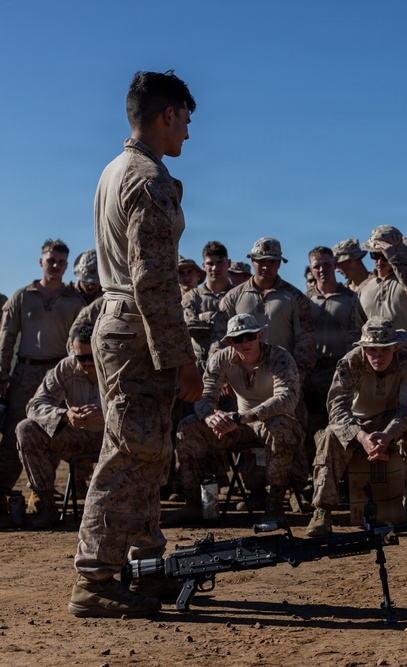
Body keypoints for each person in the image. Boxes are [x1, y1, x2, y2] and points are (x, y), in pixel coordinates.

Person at [70, 70, 203, 618]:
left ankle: (143, 566)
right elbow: (154, 282)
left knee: (146, 451)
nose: (188, 132)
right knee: (128, 454)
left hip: (121, 323)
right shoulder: (149, 179)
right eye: (186, 119)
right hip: (138, 331)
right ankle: (94, 578)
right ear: (167, 114)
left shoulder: (113, 170)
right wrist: (182, 359)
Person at [170, 314, 303, 524]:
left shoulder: (279, 357)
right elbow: (204, 397)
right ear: (230, 341)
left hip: (271, 421)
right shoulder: (221, 359)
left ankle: (275, 506)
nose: (245, 342)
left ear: (260, 335)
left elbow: (287, 399)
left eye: (250, 336)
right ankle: (194, 503)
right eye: (238, 339)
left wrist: (243, 417)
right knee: (188, 427)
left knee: (281, 428)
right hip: (240, 425)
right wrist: (210, 417)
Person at [307, 318, 407, 536]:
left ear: (395, 346)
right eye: (372, 349)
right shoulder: (350, 362)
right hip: (357, 423)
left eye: (384, 349)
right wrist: (362, 437)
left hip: (392, 422)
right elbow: (337, 409)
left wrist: (388, 434)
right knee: (329, 436)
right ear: (363, 348)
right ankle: (322, 511)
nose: (378, 356)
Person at [217, 237, 316, 507]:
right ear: (252, 261)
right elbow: (219, 339)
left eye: (272, 262)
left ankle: (297, 488)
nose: (265, 267)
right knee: (249, 432)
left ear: (279, 263)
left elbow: (306, 339)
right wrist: (223, 377)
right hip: (245, 383)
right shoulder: (233, 297)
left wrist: (297, 378)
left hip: (284, 380)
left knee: (293, 431)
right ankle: (257, 490)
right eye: (260, 261)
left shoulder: (294, 298)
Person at [0, 238, 85, 511]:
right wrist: (2, 374)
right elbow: (7, 337)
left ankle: (40, 493)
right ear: (41, 262)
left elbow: (80, 340)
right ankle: (1, 491)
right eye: (51, 260)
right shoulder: (22, 297)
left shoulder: (74, 301)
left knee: (53, 431)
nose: (56, 266)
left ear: (66, 266)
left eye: (61, 262)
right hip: (25, 371)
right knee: (14, 432)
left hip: (59, 374)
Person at [15, 324, 104, 529]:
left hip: (113, 436)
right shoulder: (66, 368)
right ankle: (46, 504)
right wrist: (65, 415)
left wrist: (107, 413)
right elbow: (35, 405)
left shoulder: (115, 364)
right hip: (78, 436)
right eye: (81, 357)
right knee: (26, 429)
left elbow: (138, 406)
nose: (87, 363)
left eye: (91, 356)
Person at [304, 246, 360, 438]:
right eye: (317, 266)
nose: (322, 270)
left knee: (341, 424)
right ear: (311, 269)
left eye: (327, 265)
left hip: (339, 369)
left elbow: (356, 335)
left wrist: (350, 369)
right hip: (311, 371)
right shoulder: (304, 300)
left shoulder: (351, 298)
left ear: (335, 265)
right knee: (312, 426)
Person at [355, 226, 407, 354]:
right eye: (374, 255)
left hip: (406, 354)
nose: (379, 261)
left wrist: (395, 259)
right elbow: (357, 327)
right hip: (374, 357)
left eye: (384, 256)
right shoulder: (364, 287)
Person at [181, 241, 232, 370]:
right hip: (199, 368)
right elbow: (189, 326)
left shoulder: (238, 295)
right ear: (204, 266)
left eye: (220, 262)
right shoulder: (192, 297)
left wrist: (203, 317)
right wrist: (222, 320)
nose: (215, 268)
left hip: (232, 366)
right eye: (210, 263)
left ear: (229, 264)